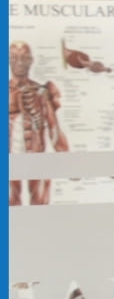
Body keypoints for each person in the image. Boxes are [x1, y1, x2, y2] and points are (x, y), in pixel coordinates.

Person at [9, 40, 68, 206]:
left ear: (31, 60)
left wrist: (68, 160)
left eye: (24, 58)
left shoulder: (41, 92)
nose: (19, 62)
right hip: (8, 159)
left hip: (37, 157)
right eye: (14, 58)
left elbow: (54, 128)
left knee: (40, 205)